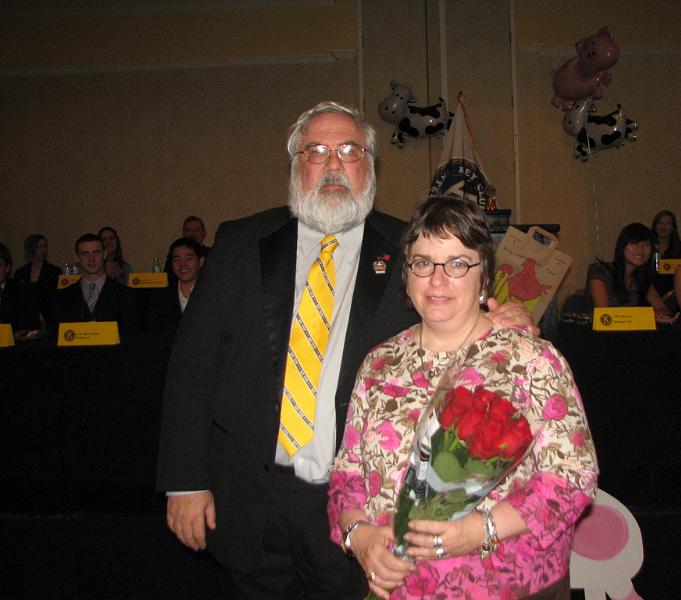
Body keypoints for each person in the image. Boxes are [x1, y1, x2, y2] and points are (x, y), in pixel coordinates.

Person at [156, 101, 533, 599]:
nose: (333, 164)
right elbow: (192, 363)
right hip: (249, 491)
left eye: (349, 150)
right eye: (316, 151)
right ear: (296, 166)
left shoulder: (409, 247)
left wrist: (506, 318)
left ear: (368, 166)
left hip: (361, 507)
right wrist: (185, 479)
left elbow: (461, 309)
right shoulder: (240, 241)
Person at [328, 196, 598, 599]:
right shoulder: (379, 364)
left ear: (484, 276)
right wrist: (360, 536)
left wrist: (480, 529)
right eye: (423, 263)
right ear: (407, 274)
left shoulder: (530, 361)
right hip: (400, 588)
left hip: (506, 584)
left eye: (457, 264)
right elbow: (347, 472)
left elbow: (572, 477)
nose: (437, 280)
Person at [49, 233, 140, 338]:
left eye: (96, 253)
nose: (91, 259)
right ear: (77, 258)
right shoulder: (62, 298)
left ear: (105, 254)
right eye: (85, 254)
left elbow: (131, 336)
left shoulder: (126, 295)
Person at [586, 222, 675, 323]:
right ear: (622, 246)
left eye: (646, 245)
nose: (641, 249)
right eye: (634, 243)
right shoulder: (600, 271)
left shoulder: (641, 277)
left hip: (628, 334)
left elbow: (665, 309)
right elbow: (605, 316)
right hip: (598, 334)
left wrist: (652, 315)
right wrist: (647, 315)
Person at [144, 237, 205, 334]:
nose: (183, 264)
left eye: (188, 258)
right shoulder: (160, 296)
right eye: (177, 260)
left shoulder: (212, 294)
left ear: (201, 261)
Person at [13, 233, 61, 327]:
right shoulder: (20, 272)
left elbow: (57, 297)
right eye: (39, 247)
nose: (42, 250)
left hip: (48, 317)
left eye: (44, 246)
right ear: (31, 249)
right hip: (26, 318)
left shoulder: (54, 271)